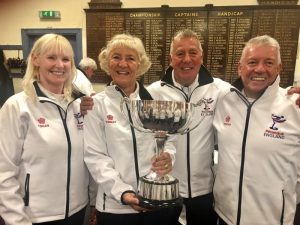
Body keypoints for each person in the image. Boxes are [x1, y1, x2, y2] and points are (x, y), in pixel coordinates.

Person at [83, 33, 178, 225]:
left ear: (140, 64)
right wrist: (123, 193)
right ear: (107, 62)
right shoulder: (96, 105)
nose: (123, 64)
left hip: (155, 202)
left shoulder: (153, 102)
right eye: (116, 57)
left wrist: (168, 157)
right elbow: (96, 157)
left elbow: (170, 141)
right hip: (114, 207)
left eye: (130, 58)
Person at [0, 33, 94, 225]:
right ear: (35, 59)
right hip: (35, 216)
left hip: (79, 210)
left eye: (66, 59)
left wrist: (92, 201)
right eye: (51, 57)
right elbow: (4, 171)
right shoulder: (17, 106)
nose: (60, 65)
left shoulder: (79, 106)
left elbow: (91, 157)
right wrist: (16, 220)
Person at [213, 35, 300, 225]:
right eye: (252, 62)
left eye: (268, 62)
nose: (260, 69)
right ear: (240, 67)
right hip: (224, 216)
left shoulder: (295, 106)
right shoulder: (223, 101)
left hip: (272, 220)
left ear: (279, 68)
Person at [147, 29, 230, 225]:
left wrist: (290, 96)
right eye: (180, 53)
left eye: (193, 53)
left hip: (204, 189)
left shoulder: (220, 90)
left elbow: (254, 96)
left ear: (201, 57)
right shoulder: (152, 92)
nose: (187, 59)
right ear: (170, 59)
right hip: (165, 187)